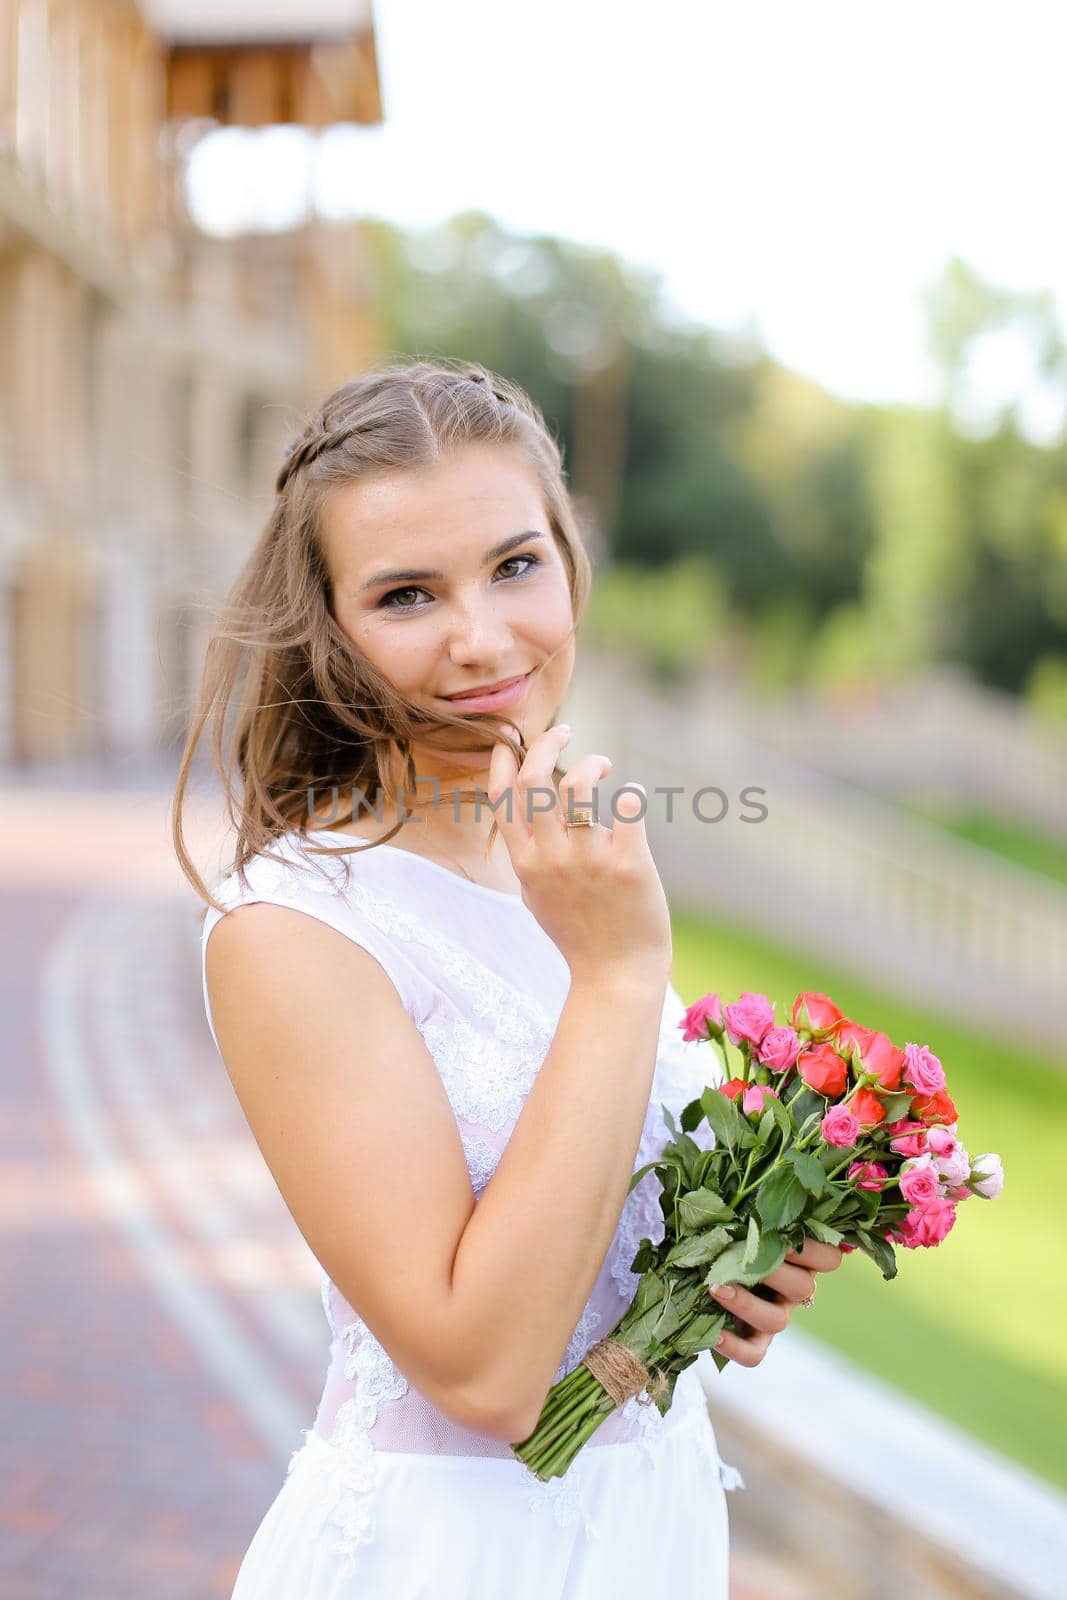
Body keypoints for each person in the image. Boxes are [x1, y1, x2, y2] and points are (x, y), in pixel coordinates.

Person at [172, 357, 842, 1598]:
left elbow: (584, 1238)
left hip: (650, 1527)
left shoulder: (563, 864)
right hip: (443, 1557)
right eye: (406, 593)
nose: (482, 637)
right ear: (330, 627)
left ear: (571, 563)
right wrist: (621, 969)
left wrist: (721, 1273)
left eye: (515, 563)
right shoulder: (292, 924)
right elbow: (483, 1374)